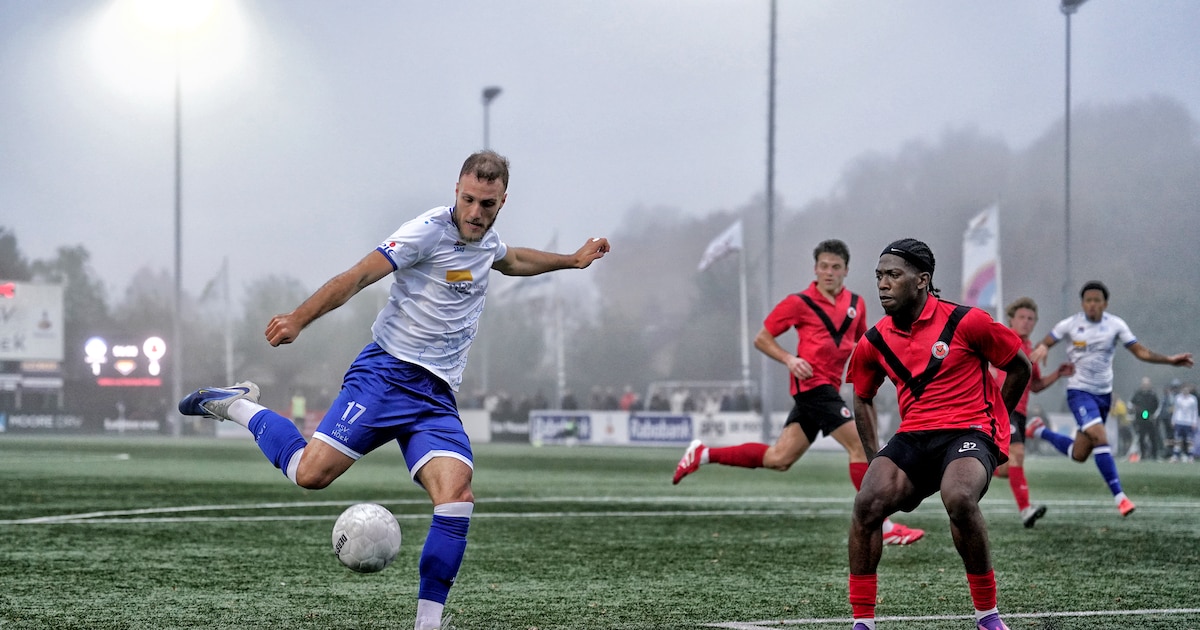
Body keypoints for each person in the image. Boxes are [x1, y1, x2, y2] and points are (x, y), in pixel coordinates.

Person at [177, 151, 610, 630]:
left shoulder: (486, 242)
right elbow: (359, 276)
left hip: (436, 397)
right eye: (468, 200)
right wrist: (300, 318)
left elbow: (513, 260)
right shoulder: (426, 231)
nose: (474, 213)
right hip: (385, 376)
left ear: (502, 201)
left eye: (486, 204)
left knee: (457, 496)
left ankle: (428, 624)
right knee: (310, 474)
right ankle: (237, 405)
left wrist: (572, 260)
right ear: (456, 191)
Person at [672, 239, 924, 545]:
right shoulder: (798, 303)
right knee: (861, 444)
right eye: (823, 266)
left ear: (846, 271)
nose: (828, 272)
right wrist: (790, 359)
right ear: (815, 269)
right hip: (812, 388)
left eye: (835, 267)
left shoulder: (857, 304)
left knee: (780, 458)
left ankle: (704, 453)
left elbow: (863, 344)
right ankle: (882, 525)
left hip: (829, 389)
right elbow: (762, 339)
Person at [845, 238, 1030, 630]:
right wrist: (875, 453)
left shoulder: (967, 321)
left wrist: (996, 423)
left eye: (894, 275)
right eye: (879, 276)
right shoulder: (874, 340)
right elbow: (861, 396)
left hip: (970, 430)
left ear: (922, 280)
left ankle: (987, 617)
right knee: (866, 505)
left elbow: (1020, 367)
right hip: (914, 435)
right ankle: (863, 623)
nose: (883, 284)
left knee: (959, 498)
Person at [1027, 281, 1193, 517]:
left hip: (1103, 395)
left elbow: (1140, 351)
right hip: (1079, 392)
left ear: (1105, 303)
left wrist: (1169, 360)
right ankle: (1120, 497)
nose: (1092, 304)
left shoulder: (1115, 325)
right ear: (1083, 303)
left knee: (1079, 454)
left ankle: (1040, 430)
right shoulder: (1070, 325)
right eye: (1088, 300)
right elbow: (1046, 341)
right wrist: (1043, 347)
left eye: (1097, 300)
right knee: (1100, 437)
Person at [991, 298, 1072, 528]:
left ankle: (967, 468)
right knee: (1016, 454)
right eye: (1022, 318)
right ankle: (1026, 510)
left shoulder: (1031, 350)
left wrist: (1058, 373)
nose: (1026, 322)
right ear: (1011, 320)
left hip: (1020, 412)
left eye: (1031, 319)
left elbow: (1035, 385)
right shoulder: (999, 338)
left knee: (1006, 467)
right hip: (1003, 406)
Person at [1129, 377, 1161, 461]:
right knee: (1141, 438)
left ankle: (1154, 455)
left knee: (1153, 438)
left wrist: (1153, 416)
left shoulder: (1153, 395)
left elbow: (1157, 406)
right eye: (1144, 384)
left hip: (1150, 419)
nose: (1145, 386)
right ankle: (1143, 455)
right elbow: (1131, 404)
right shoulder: (1137, 394)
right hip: (1140, 420)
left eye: (1147, 384)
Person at [1169, 384, 1198, 462]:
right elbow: (1175, 410)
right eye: (1184, 389)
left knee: (1189, 440)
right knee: (1178, 440)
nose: (1185, 391)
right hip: (1179, 421)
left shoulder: (1193, 399)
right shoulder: (1178, 398)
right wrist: (1173, 420)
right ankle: (1175, 456)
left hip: (1188, 422)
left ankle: (1190, 456)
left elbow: (1195, 411)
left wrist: (1194, 422)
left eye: (1187, 389)